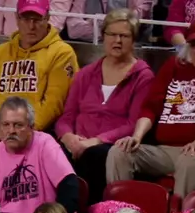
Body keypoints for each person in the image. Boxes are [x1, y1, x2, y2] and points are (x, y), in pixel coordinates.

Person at [106, 16, 195, 198]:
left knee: (190, 159)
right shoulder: (174, 66)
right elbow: (151, 106)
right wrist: (137, 137)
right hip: (163, 150)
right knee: (120, 151)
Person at [56, 8, 153, 202]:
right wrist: (68, 137)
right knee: (50, 149)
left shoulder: (143, 76)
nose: (117, 41)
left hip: (109, 146)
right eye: (112, 34)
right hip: (78, 142)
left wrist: (97, 140)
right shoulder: (85, 74)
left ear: (133, 40)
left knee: (95, 155)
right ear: (103, 36)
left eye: (124, 36)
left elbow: (132, 123)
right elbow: (66, 117)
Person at [0, 0, 76, 146]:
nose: (31, 26)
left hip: (37, 133)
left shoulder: (62, 53)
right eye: (26, 19)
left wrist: (22, 131)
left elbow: (54, 104)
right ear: (16, 18)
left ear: (47, 17)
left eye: (37, 19)